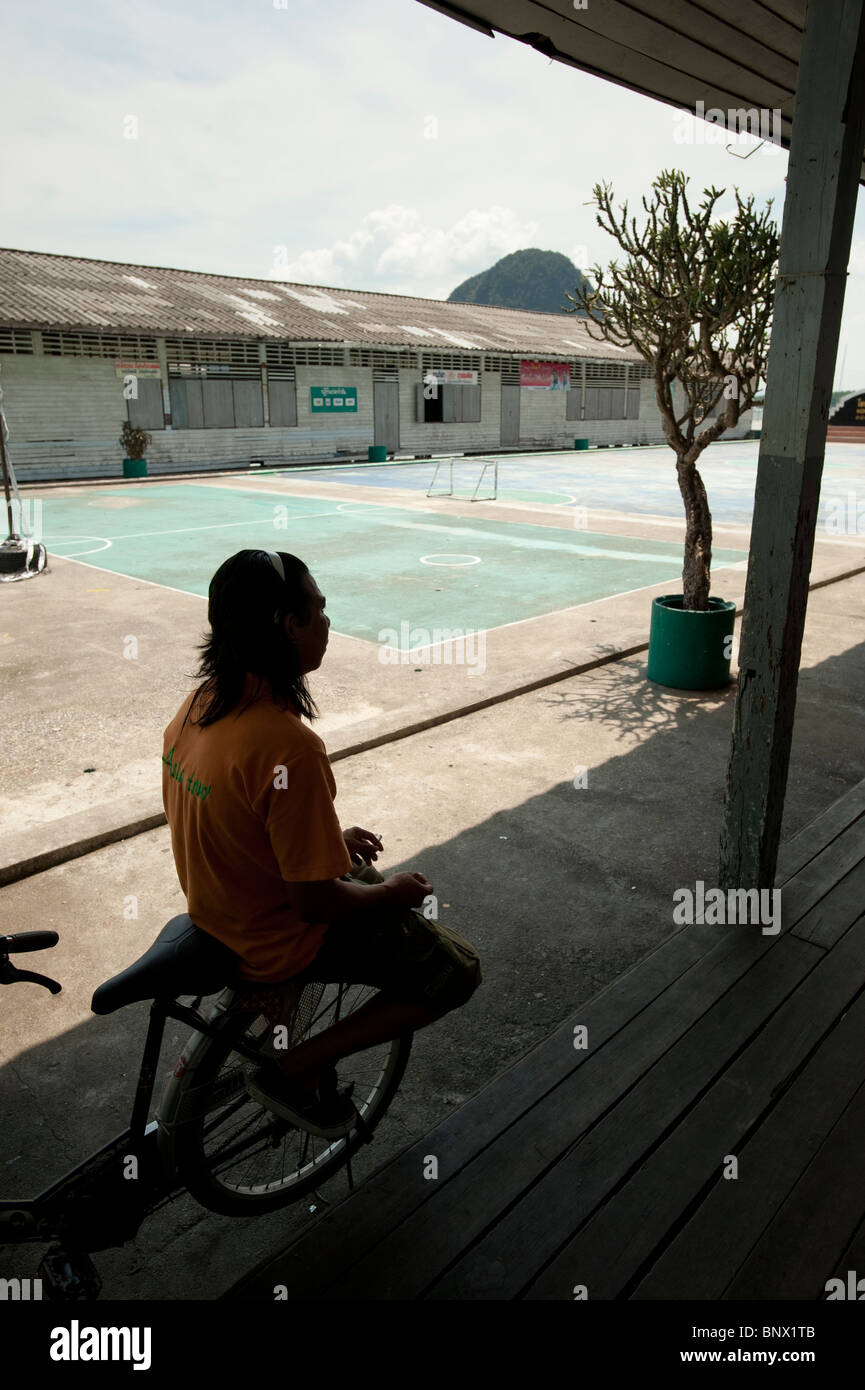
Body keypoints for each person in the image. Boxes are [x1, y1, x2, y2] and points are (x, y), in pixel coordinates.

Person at [161, 548, 481, 1139]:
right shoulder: (289, 746)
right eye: (319, 611)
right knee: (455, 973)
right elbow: (316, 903)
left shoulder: (201, 704)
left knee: (356, 875)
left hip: (217, 909)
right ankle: (297, 1068)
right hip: (276, 938)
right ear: (289, 624)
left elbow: (239, 817)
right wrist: (394, 894)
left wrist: (326, 837)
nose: (328, 624)